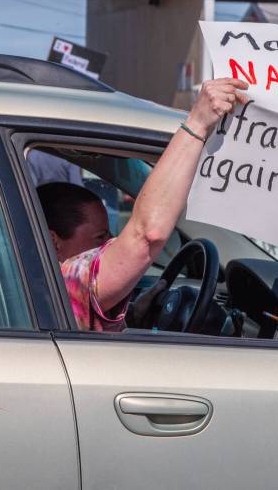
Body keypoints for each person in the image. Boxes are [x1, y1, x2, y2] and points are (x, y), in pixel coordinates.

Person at [37, 77, 249, 331]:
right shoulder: (61, 285)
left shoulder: (31, 291)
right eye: (100, 237)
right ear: (53, 243)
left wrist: (135, 317)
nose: (111, 242)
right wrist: (198, 123)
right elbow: (147, 235)